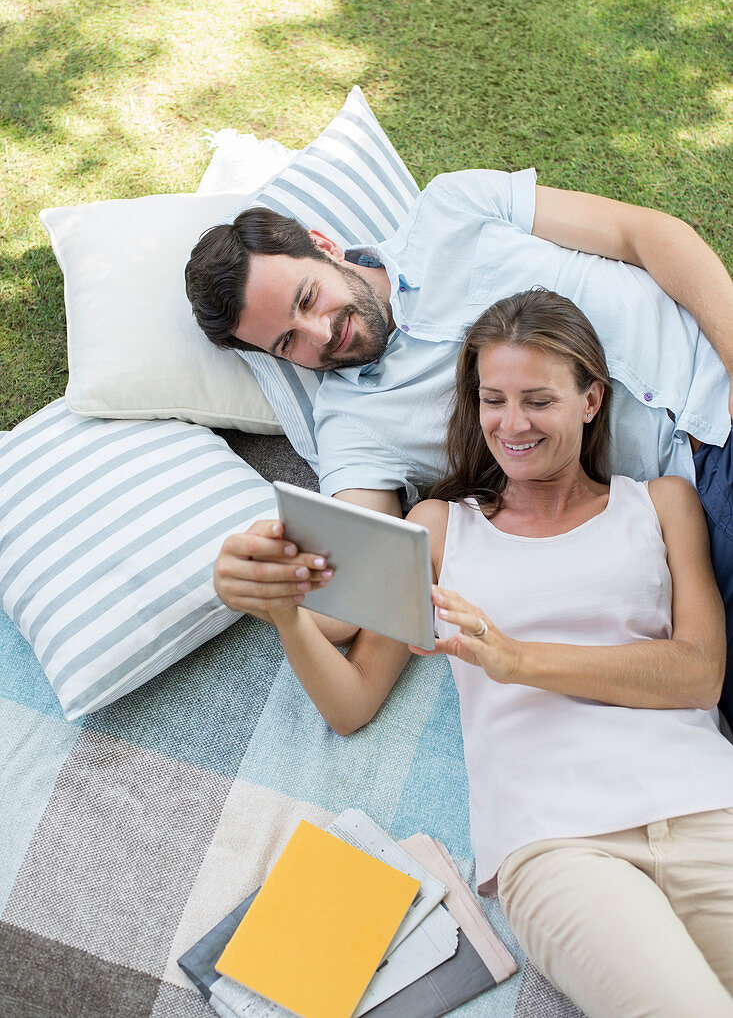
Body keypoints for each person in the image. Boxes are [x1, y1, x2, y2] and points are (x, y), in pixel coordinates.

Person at [231, 290, 733, 1018]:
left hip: (710, 803)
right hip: (558, 844)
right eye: (492, 399)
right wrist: (285, 617)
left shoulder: (660, 503)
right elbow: (351, 702)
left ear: (590, 399)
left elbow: (697, 674)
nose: (511, 424)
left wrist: (514, 658)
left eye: (537, 399)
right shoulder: (438, 528)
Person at [185, 169, 733, 718]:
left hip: (718, 370)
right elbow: (351, 598)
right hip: (699, 495)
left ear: (323, 246)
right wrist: (263, 583)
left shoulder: (453, 206)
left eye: (308, 299)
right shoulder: (352, 423)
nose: (321, 334)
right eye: (289, 342)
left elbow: (646, 235)